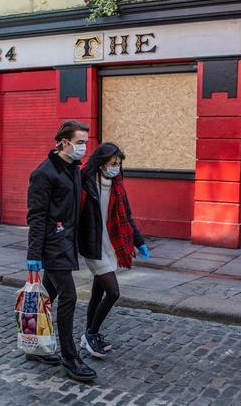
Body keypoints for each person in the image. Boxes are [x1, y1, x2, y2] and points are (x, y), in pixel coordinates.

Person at [26, 120, 97, 382]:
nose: (84, 148)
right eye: (80, 142)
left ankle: (35, 346)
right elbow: (36, 216)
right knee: (69, 297)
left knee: (46, 297)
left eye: (86, 143)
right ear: (64, 142)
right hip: (52, 245)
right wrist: (34, 254)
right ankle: (70, 356)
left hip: (68, 242)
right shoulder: (44, 173)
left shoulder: (73, 169)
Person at [77, 143, 150, 359]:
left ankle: (89, 334)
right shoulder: (85, 182)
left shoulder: (117, 184)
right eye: (113, 163)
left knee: (98, 293)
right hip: (92, 245)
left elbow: (126, 215)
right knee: (113, 293)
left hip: (110, 245)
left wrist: (139, 241)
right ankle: (90, 334)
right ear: (101, 163)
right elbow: (73, 212)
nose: (116, 167)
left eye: (118, 164)